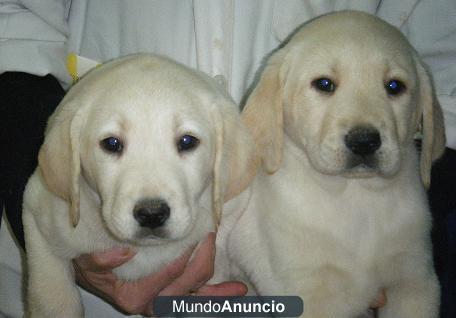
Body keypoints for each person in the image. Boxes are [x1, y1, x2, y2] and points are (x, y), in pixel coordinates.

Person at [1, 0, 455, 317]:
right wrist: (52, 203)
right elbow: (12, 18)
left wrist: (393, 260)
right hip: (91, 278)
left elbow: (445, 79)